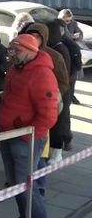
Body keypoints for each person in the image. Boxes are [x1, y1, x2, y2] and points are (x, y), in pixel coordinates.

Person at [0, 34, 58, 218]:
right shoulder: (17, 68)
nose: (13, 54)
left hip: (24, 140)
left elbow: (48, 116)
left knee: (25, 188)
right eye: (12, 50)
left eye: (17, 50)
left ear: (30, 52)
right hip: (10, 135)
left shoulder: (42, 75)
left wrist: (25, 134)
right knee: (17, 187)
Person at [46, 20, 73, 161]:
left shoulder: (60, 50)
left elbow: (64, 75)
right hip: (58, 91)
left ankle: (57, 153)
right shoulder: (56, 47)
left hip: (59, 92)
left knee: (58, 123)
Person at [56, 19, 83, 106]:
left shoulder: (70, 45)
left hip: (69, 76)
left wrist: (72, 74)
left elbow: (77, 63)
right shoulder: (54, 43)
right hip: (62, 78)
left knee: (65, 102)